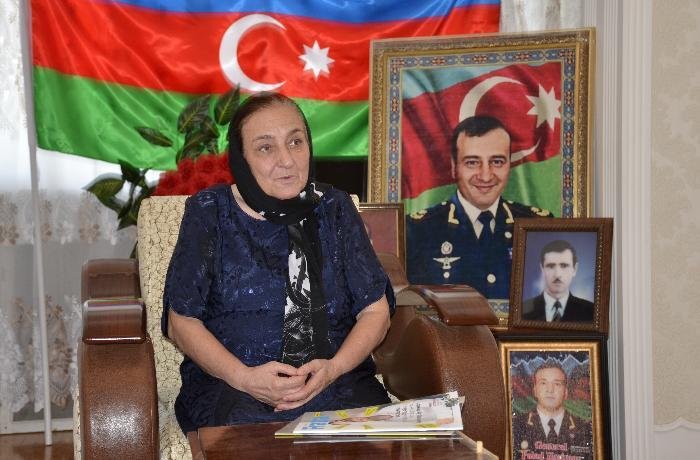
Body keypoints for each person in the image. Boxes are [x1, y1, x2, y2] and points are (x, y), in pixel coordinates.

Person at [161, 92, 395, 435]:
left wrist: (333, 368)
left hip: (336, 382)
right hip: (234, 387)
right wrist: (244, 378)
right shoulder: (210, 212)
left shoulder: (335, 208)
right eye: (265, 148)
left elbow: (375, 311)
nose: (286, 160)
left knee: (373, 441)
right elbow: (181, 321)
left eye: (295, 142)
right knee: (250, 437)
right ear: (241, 158)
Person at [406, 116, 551, 299]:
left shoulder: (538, 226)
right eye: (472, 162)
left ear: (509, 164)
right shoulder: (417, 231)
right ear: (454, 166)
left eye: (497, 162)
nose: (485, 176)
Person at [512, 361, 593, 459]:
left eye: (557, 384)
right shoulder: (516, 427)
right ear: (535, 390)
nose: (550, 390)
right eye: (543, 383)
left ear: (565, 392)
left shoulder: (585, 430)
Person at [522, 239, 594, 322]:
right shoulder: (523, 310)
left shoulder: (591, 312)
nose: (557, 274)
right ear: (542, 269)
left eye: (564, 266)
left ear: (575, 269)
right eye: (551, 266)